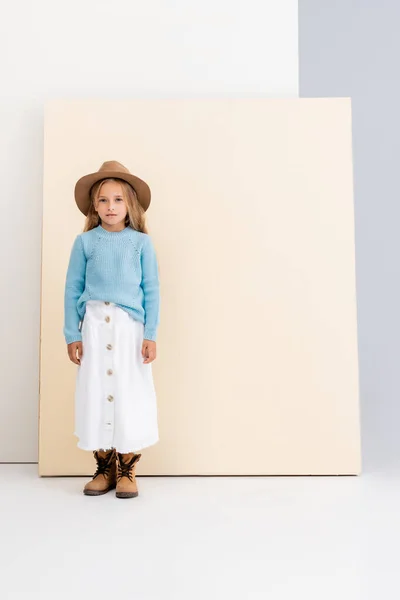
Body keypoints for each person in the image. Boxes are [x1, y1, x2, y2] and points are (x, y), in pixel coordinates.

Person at [63, 160, 160, 499]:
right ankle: (104, 467)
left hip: (127, 328)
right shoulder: (85, 242)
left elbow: (152, 290)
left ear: (130, 203)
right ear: (94, 205)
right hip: (92, 325)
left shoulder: (140, 244)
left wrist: (151, 333)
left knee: (127, 388)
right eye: (103, 200)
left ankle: (128, 468)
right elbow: (72, 289)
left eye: (118, 199)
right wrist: (72, 334)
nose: (110, 207)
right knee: (95, 388)